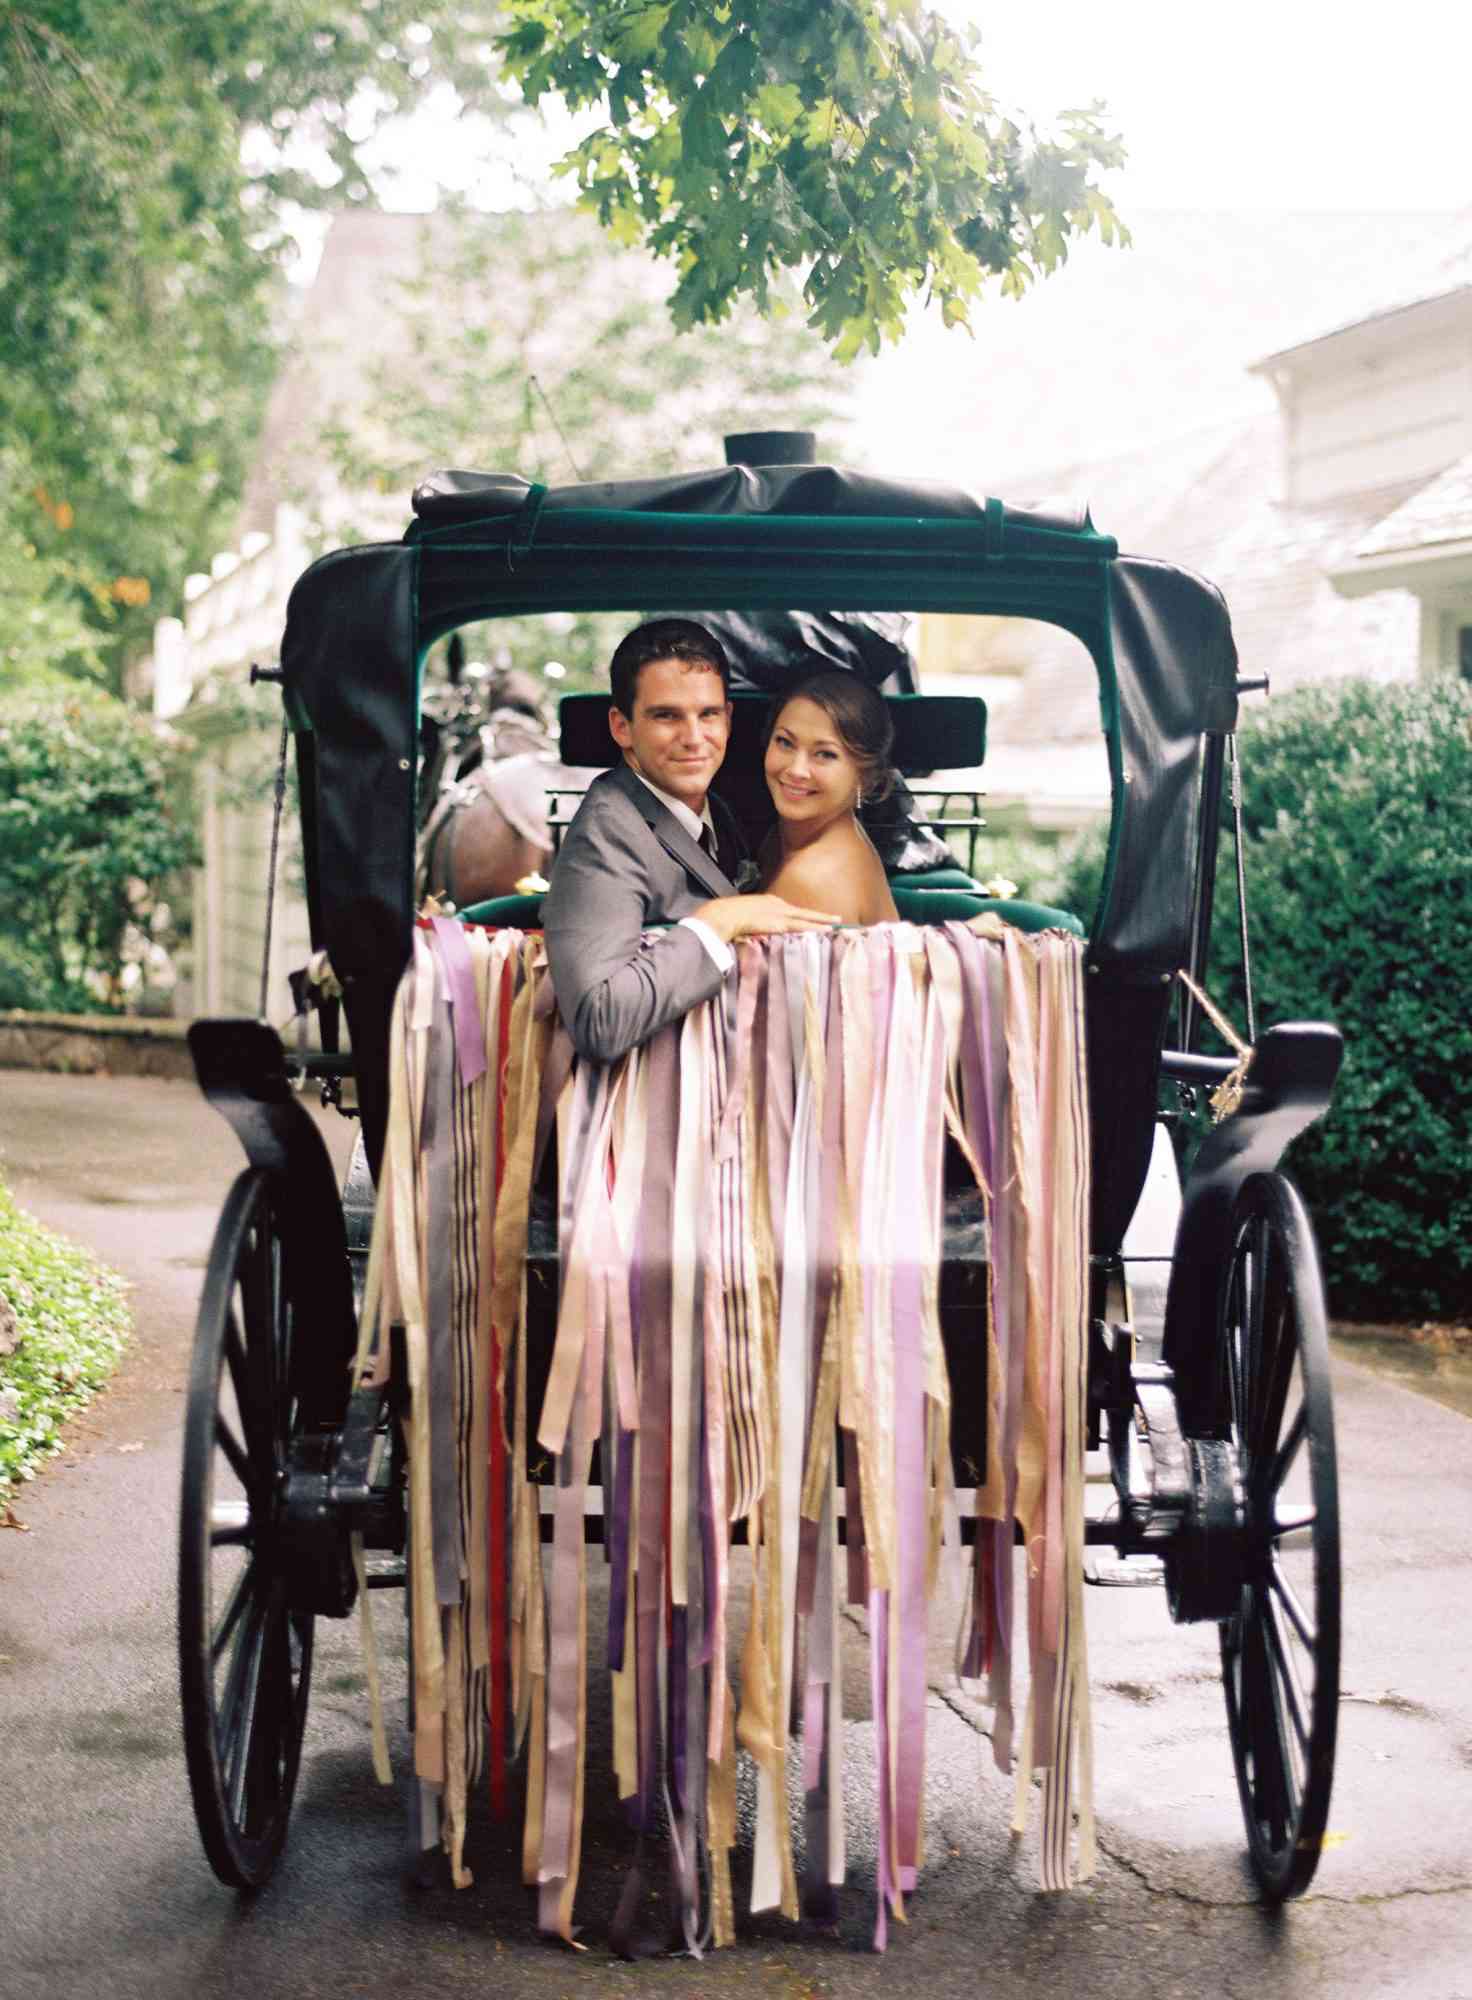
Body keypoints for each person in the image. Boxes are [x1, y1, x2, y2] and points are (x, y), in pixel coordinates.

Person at [543, 618, 841, 1062]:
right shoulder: (607, 830)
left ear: (728, 719)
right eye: (666, 716)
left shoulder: (716, 810)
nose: (694, 739)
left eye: (709, 715)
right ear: (621, 727)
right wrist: (719, 921)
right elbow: (598, 1020)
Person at [759, 671, 901, 926]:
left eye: (825, 754)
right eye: (785, 742)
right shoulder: (837, 836)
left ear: (866, 777)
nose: (796, 770)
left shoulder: (809, 879)